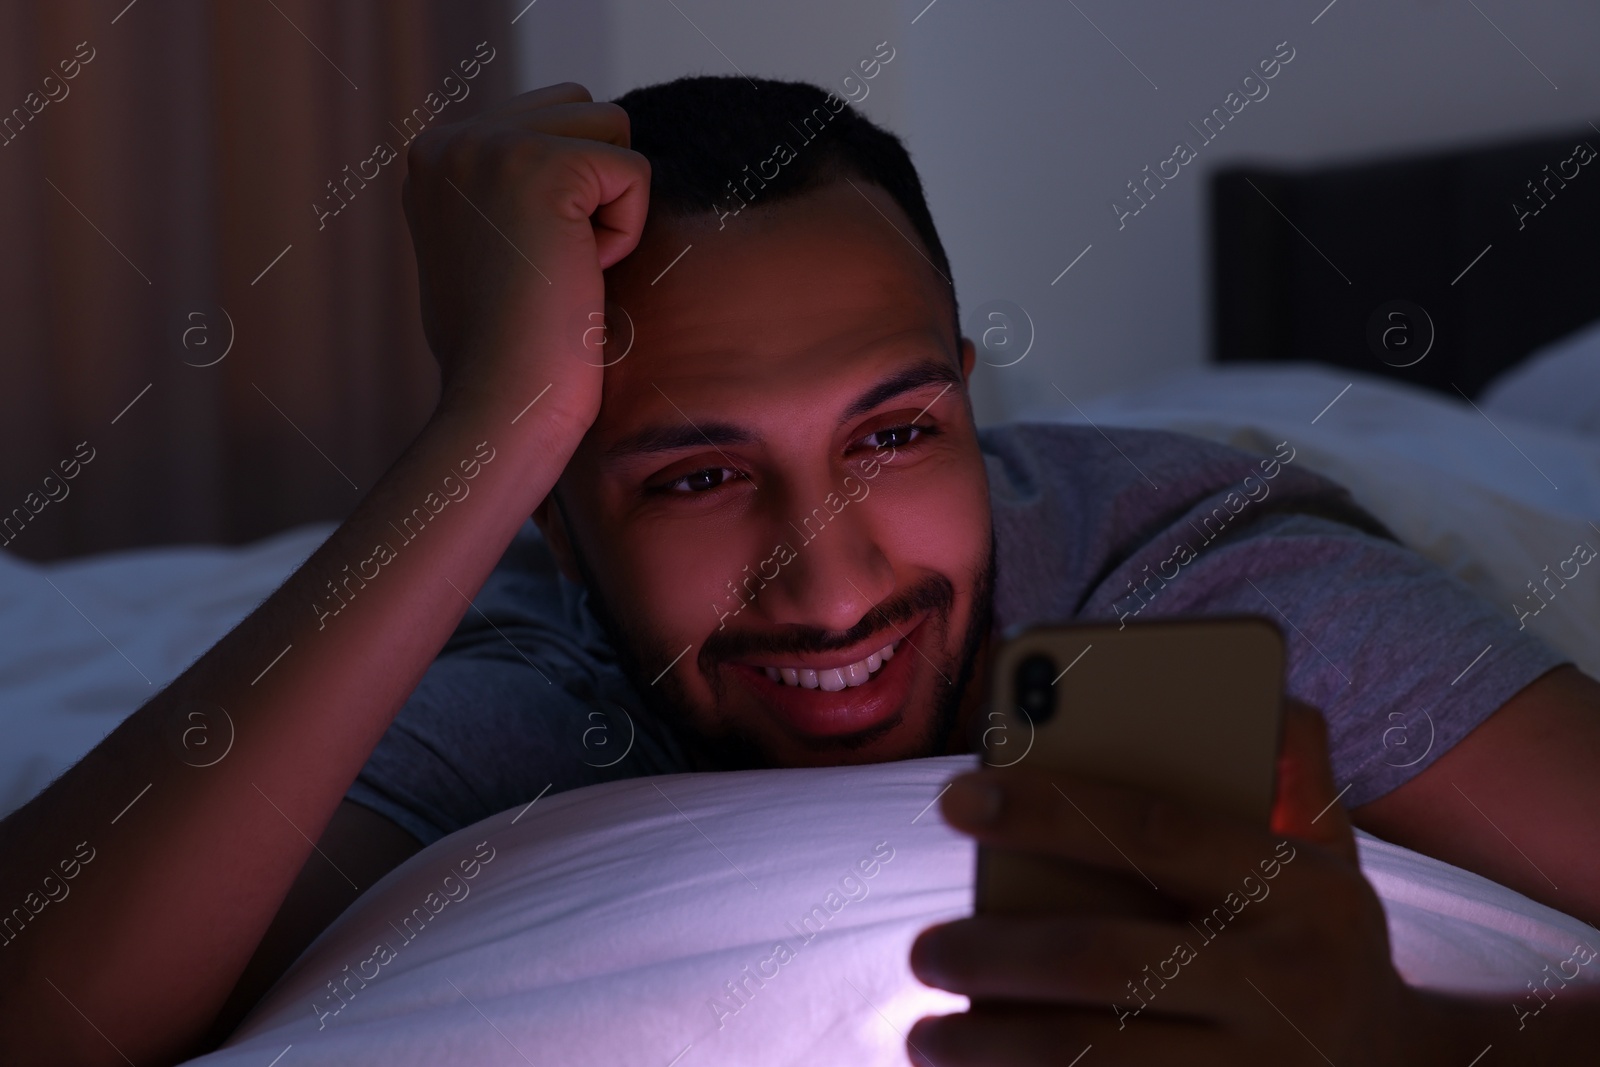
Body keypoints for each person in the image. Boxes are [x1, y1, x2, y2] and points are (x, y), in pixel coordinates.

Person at [1, 75, 1597, 1065]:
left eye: (898, 433)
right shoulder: (542, 666)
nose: (829, 588)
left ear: (974, 394)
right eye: (695, 474)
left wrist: (1410, 1044)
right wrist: (489, 429)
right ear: (555, 514)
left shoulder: (1211, 585)